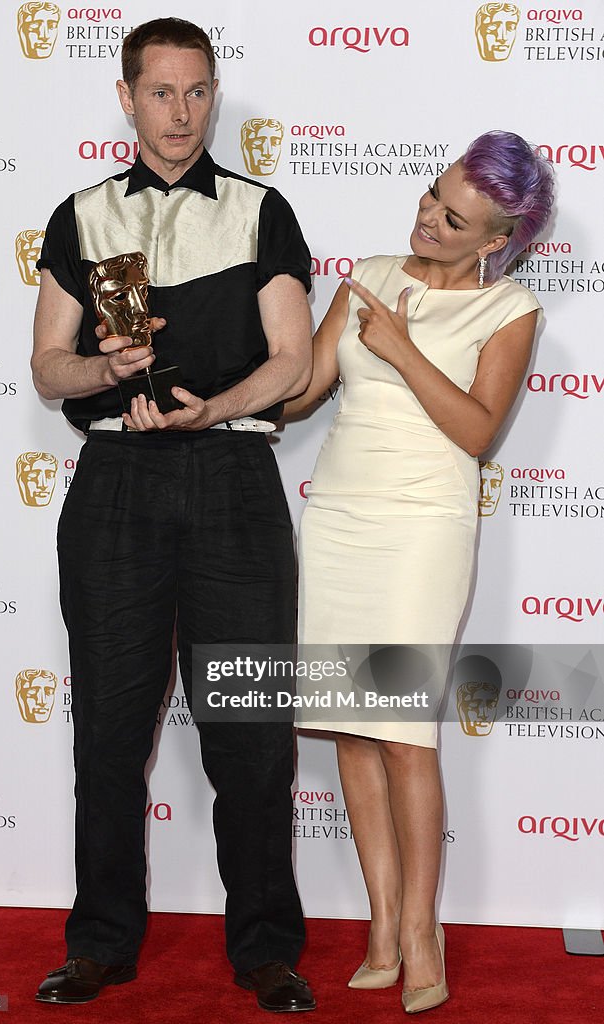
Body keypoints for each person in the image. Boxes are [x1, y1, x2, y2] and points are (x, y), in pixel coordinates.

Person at [30, 17, 315, 1013]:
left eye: (197, 92)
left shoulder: (258, 210)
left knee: (251, 727)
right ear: (127, 97)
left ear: (214, 96)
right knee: (108, 732)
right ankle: (102, 943)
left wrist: (218, 404)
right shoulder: (81, 215)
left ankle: (268, 948)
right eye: (161, 92)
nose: (182, 112)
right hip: (114, 487)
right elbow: (47, 366)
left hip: (233, 482)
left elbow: (295, 358)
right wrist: (103, 368)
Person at [287, 131, 554, 1013]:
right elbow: (305, 390)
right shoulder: (365, 272)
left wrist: (400, 346)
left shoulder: (509, 311)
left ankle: (419, 932)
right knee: (351, 729)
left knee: (402, 731)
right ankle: (379, 919)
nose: (426, 220)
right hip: (337, 524)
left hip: (420, 534)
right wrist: (221, 380)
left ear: (493, 242)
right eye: (430, 196)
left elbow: (478, 432)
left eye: (453, 218)